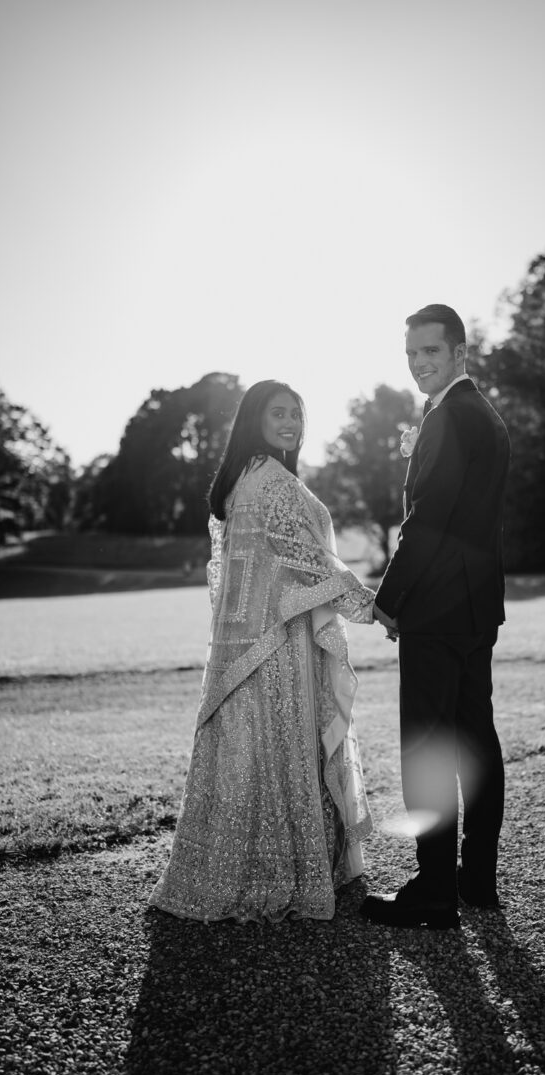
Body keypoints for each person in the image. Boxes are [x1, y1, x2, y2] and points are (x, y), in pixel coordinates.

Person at [149, 380, 376, 923]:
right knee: (277, 755)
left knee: (246, 760)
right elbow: (313, 564)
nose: (292, 422)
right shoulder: (271, 481)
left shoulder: (242, 480)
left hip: (241, 650)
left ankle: (230, 868)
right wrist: (376, 609)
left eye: (297, 413)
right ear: (255, 419)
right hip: (275, 648)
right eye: (279, 413)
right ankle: (276, 871)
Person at [361, 304, 510, 930]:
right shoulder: (485, 416)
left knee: (427, 746)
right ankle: (475, 880)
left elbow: (428, 522)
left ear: (459, 353)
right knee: (477, 741)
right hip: (477, 608)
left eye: (431, 352)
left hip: (439, 611)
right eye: (412, 354)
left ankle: (433, 892)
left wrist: (388, 598)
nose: (420, 363)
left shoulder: (451, 417)